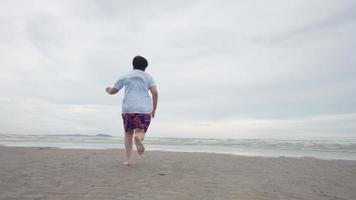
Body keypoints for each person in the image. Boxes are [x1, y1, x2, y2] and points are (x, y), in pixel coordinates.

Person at [105, 55, 158, 166]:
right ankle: (138, 139)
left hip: (128, 109)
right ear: (145, 67)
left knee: (128, 133)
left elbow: (114, 90)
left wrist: (108, 90)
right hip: (143, 109)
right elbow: (155, 92)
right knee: (140, 131)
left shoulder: (126, 76)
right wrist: (153, 109)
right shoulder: (148, 77)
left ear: (133, 65)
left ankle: (129, 160)